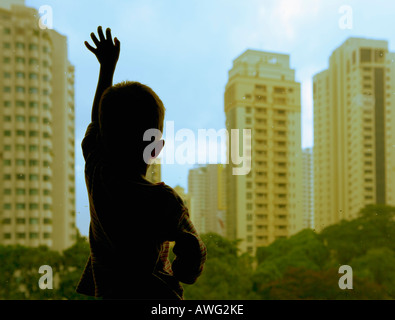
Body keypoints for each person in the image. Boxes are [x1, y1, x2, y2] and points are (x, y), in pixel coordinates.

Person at [76, 26, 207, 300]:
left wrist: (106, 69)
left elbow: (96, 124)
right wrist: (182, 270)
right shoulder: (162, 201)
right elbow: (193, 250)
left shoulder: (97, 173)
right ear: (156, 149)